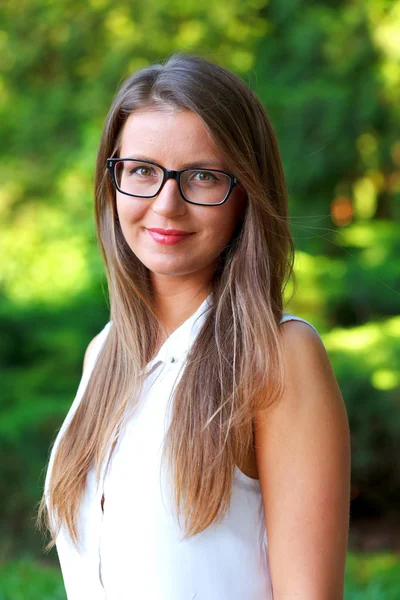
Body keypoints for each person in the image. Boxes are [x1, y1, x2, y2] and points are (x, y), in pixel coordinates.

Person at [37, 52, 351, 599]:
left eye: (203, 177)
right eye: (141, 171)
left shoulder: (279, 355)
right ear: (111, 183)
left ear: (245, 194)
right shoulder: (104, 353)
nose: (166, 204)